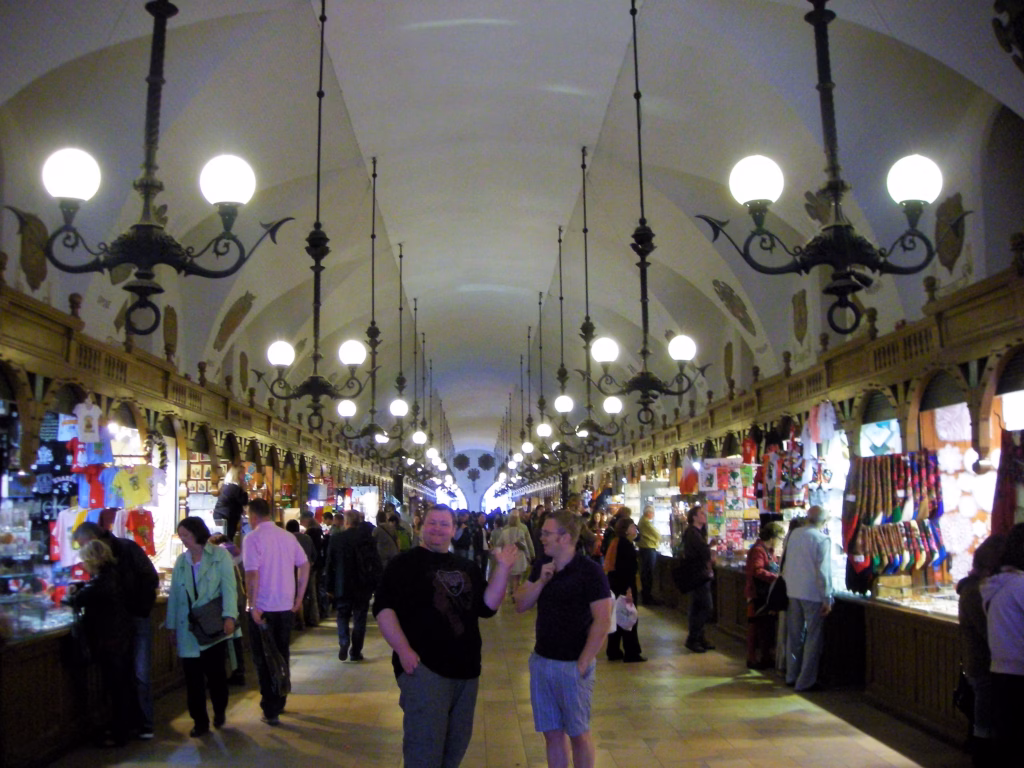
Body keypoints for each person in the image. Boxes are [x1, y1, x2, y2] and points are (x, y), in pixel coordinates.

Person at [372, 504, 516, 768]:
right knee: (424, 747)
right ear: (421, 527)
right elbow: (383, 609)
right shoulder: (403, 564)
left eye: (444, 524)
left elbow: (488, 606)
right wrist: (403, 650)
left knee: (456, 744)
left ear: (454, 530)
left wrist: (503, 568)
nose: (437, 529)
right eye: (432, 523)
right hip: (425, 668)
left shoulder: (466, 567)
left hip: (466, 670)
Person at [515, 509, 613, 768]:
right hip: (542, 661)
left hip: (572, 664)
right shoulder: (542, 566)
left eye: (547, 533)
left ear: (565, 537)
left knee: (578, 733)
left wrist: (583, 662)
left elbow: (602, 620)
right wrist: (541, 582)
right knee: (552, 734)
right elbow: (520, 604)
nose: (542, 538)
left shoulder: (590, 571)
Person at [72, 521, 158, 740]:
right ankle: (133, 723)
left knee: (137, 674)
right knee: (127, 676)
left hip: (132, 619)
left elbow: (150, 578)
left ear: (91, 540)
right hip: (124, 623)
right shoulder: (109, 562)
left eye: (82, 544)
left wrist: (138, 608)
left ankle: (143, 724)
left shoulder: (125, 549)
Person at [166, 517, 239, 737]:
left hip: (212, 625)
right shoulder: (182, 561)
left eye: (186, 535)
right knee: (193, 679)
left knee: (216, 675)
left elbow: (229, 588)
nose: (183, 539)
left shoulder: (219, 556)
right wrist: (171, 626)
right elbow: (175, 596)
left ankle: (219, 710)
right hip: (188, 627)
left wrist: (229, 617)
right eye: (181, 535)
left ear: (197, 533)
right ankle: (199, 721)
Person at [242, 498, 311, 726]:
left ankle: (270, 707)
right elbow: (304, 564)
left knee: (263, 658)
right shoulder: (288, 537)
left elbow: (252, 574)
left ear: (253, 516)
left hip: (263, 608)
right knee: (281, 654)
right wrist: (299, 598)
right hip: (285, 606)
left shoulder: (252, 538)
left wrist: (252, 604)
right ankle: (280, 698)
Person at [67, 539, 134, 747]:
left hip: (109, 641)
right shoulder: (114, 574)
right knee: (121, 686)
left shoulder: (101, 582)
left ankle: (118, 733)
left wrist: (72, 592)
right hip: (120, 637)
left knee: (115, 688)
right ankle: (123, 729)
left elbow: (78, 600)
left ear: (91, 560)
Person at [957, 533, 1005, 764]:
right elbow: (988, 631)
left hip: (979, 663)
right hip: (982, 664)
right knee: (984, 718)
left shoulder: (974, 588)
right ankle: (982, 757)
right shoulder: (975, 592)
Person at [981, 522, 1024, 766]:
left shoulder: (996, 584)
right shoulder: (1019, 586)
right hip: (1020, 673)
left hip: (1000, 671)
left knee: (1007, 739)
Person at [781, 505, 833, 691]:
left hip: (792, 590)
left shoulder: (793, 535)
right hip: (812, 594)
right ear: (824, 521)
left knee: (794, 635)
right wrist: (827, 597)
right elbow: (823, 572)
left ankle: (791, 674)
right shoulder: (822, 539)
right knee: (813, 638)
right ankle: (805, 681)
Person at [325, 510, 379, 661]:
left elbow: (329, 565)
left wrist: (329, 587)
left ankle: (344, 641)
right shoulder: (367, 539)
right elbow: (375, 563)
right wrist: (376, 584)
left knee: (342, 615)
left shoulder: (336, 539)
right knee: (360, 618)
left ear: (346, 522)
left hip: (342, 584)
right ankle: (355, 652)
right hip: (362, 585)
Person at [209, 532, 247, 686]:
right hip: (238, 598)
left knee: (229, 639)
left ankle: (236, 671)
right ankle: (239, 670)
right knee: (236, 637)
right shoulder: (235, 550)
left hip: (229, 602)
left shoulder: (222, 554)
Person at [745, 521, 785, 669]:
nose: (780, 541)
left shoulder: (768, 551)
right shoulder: (758, 550)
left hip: (766, 594)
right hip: (757, 594)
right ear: (772, 537)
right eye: (780, 538)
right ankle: (752, 658)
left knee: (765, 627)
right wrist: (776, 578)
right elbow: (757, 570)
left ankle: (765, 657)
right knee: (755, 627)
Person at [606, 515, 644, 663]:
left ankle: (613, 650)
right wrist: (628, 590)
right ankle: (631, 652)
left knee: (617, 617)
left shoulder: (618, 542)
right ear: (626, 530)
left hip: (617, 585)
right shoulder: (625, 545)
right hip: (625, 586)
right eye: (632, 527)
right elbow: (625, 569)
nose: (635, 529)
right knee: (629, 618)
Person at [682, 505, 715, 653]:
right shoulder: (692, 533)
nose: (704, 515)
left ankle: (699, 638)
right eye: (701, 513)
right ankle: (693, 638)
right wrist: (710, 549)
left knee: (698, 607)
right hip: (697, 575)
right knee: (705, 607)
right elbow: (701, 553)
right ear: (694, 517)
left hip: (699, 574)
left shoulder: (697, 532)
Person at [493, 510, 535, 599]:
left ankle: (512, 591)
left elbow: (498, 543)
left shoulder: (505, 530)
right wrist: (531, 555)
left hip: (509, 556)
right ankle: (515, 593)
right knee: (518, 577)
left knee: (511, 576)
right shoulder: (522, 529)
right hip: (519, 556)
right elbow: (527, 544)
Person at [286, 518, 318, 628]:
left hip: (292, 571)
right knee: (311, 595)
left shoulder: (288, 539)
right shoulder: (307, 538)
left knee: (295, 596)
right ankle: (313, 619)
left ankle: (299, 621)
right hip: (308, 570)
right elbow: (314, 555)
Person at [213, 464, 248, 542]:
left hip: (221, 515)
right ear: (237, 474)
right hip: (226, 516)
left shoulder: (227, 486)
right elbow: (244, 501)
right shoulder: (234, 487)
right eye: (243, 473)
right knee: (227, 539)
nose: (244, 475)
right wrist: (245, 489)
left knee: (224, 538)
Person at [637, 505, 660, 605]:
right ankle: (647, 597)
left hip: (644, 549)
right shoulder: (646, 523)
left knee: (645, 573)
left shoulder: (642, 521)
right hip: (648, 549)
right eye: (653, 513)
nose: (653, 515)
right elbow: (657, 535)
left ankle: (646, 595)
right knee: (648, 573)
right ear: (649, 513)